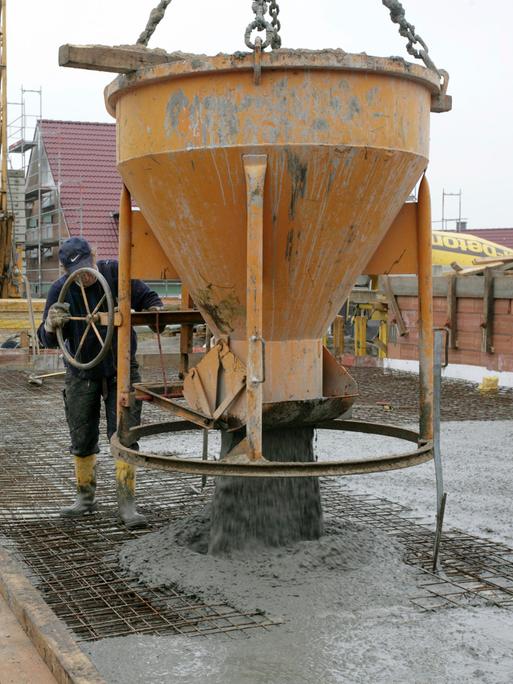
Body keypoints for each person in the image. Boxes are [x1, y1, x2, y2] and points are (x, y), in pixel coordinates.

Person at [38, 237, 164, 528]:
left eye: (85, 267)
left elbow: (150, 300)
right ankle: (85, 498)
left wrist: (156, 312)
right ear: (65, 271)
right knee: (81, 435)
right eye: (75, 272)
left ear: (94, 256)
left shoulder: (114, 274)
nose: (83, 275)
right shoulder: (61, 290)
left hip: (121, 368)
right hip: (82, 372)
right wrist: (50, 324)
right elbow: (46, 339)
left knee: (125, 433)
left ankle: (127, 503)